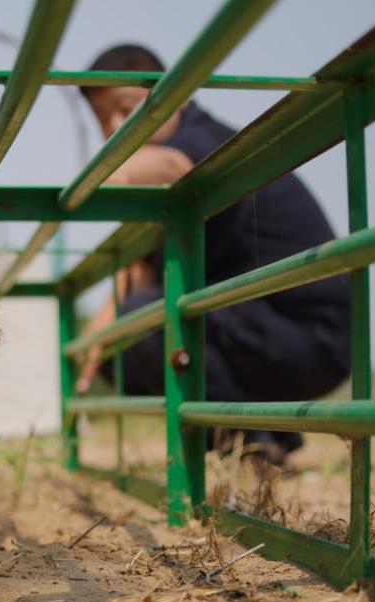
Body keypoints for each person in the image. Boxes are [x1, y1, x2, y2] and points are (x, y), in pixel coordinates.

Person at [75, 44, 351, 470]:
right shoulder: (169, 196)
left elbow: (172, 165)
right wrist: (93, 343)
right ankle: (260, 434)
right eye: (102, 119)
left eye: (126, 109)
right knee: (122, 348)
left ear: (176, 97)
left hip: (315, 336)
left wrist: (117, 171)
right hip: (257, 326)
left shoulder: (206, 140)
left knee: (148, 318)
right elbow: (143, 271)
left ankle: (250, 444)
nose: (114, 128)